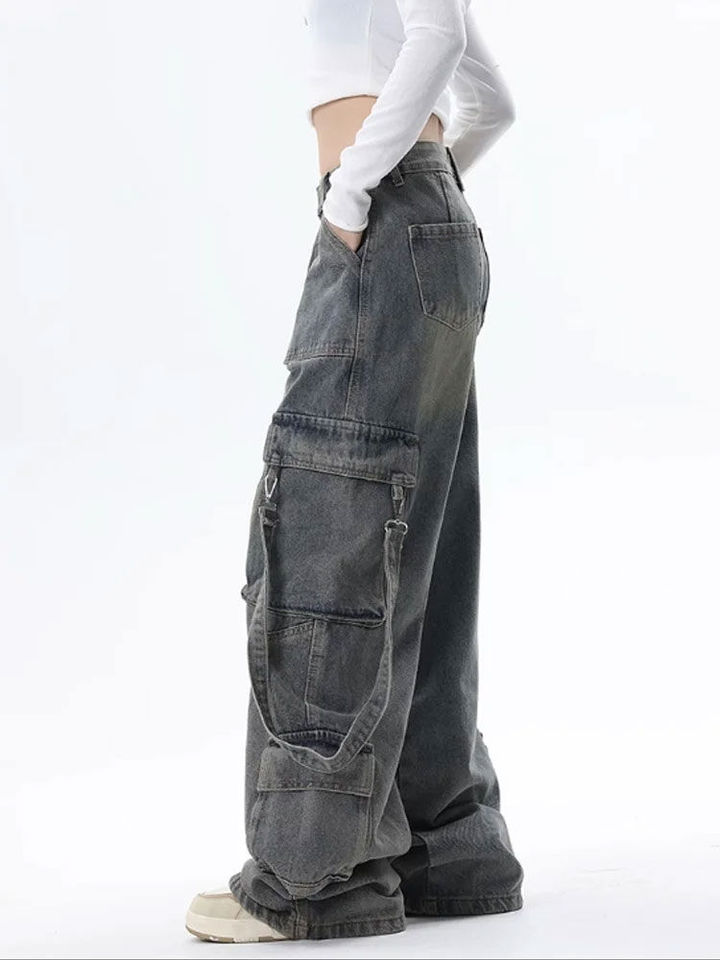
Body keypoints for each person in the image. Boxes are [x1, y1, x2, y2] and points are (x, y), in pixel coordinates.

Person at [186, 0, 523, 943]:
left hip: (382, 213)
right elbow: (492, 99)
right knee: (424, 541)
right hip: (428, 219)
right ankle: (443, 847)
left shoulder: (363, 192)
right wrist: (428, 187)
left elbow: (438, 40)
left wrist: (353, 192)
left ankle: (315, 875)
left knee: (329, 528)